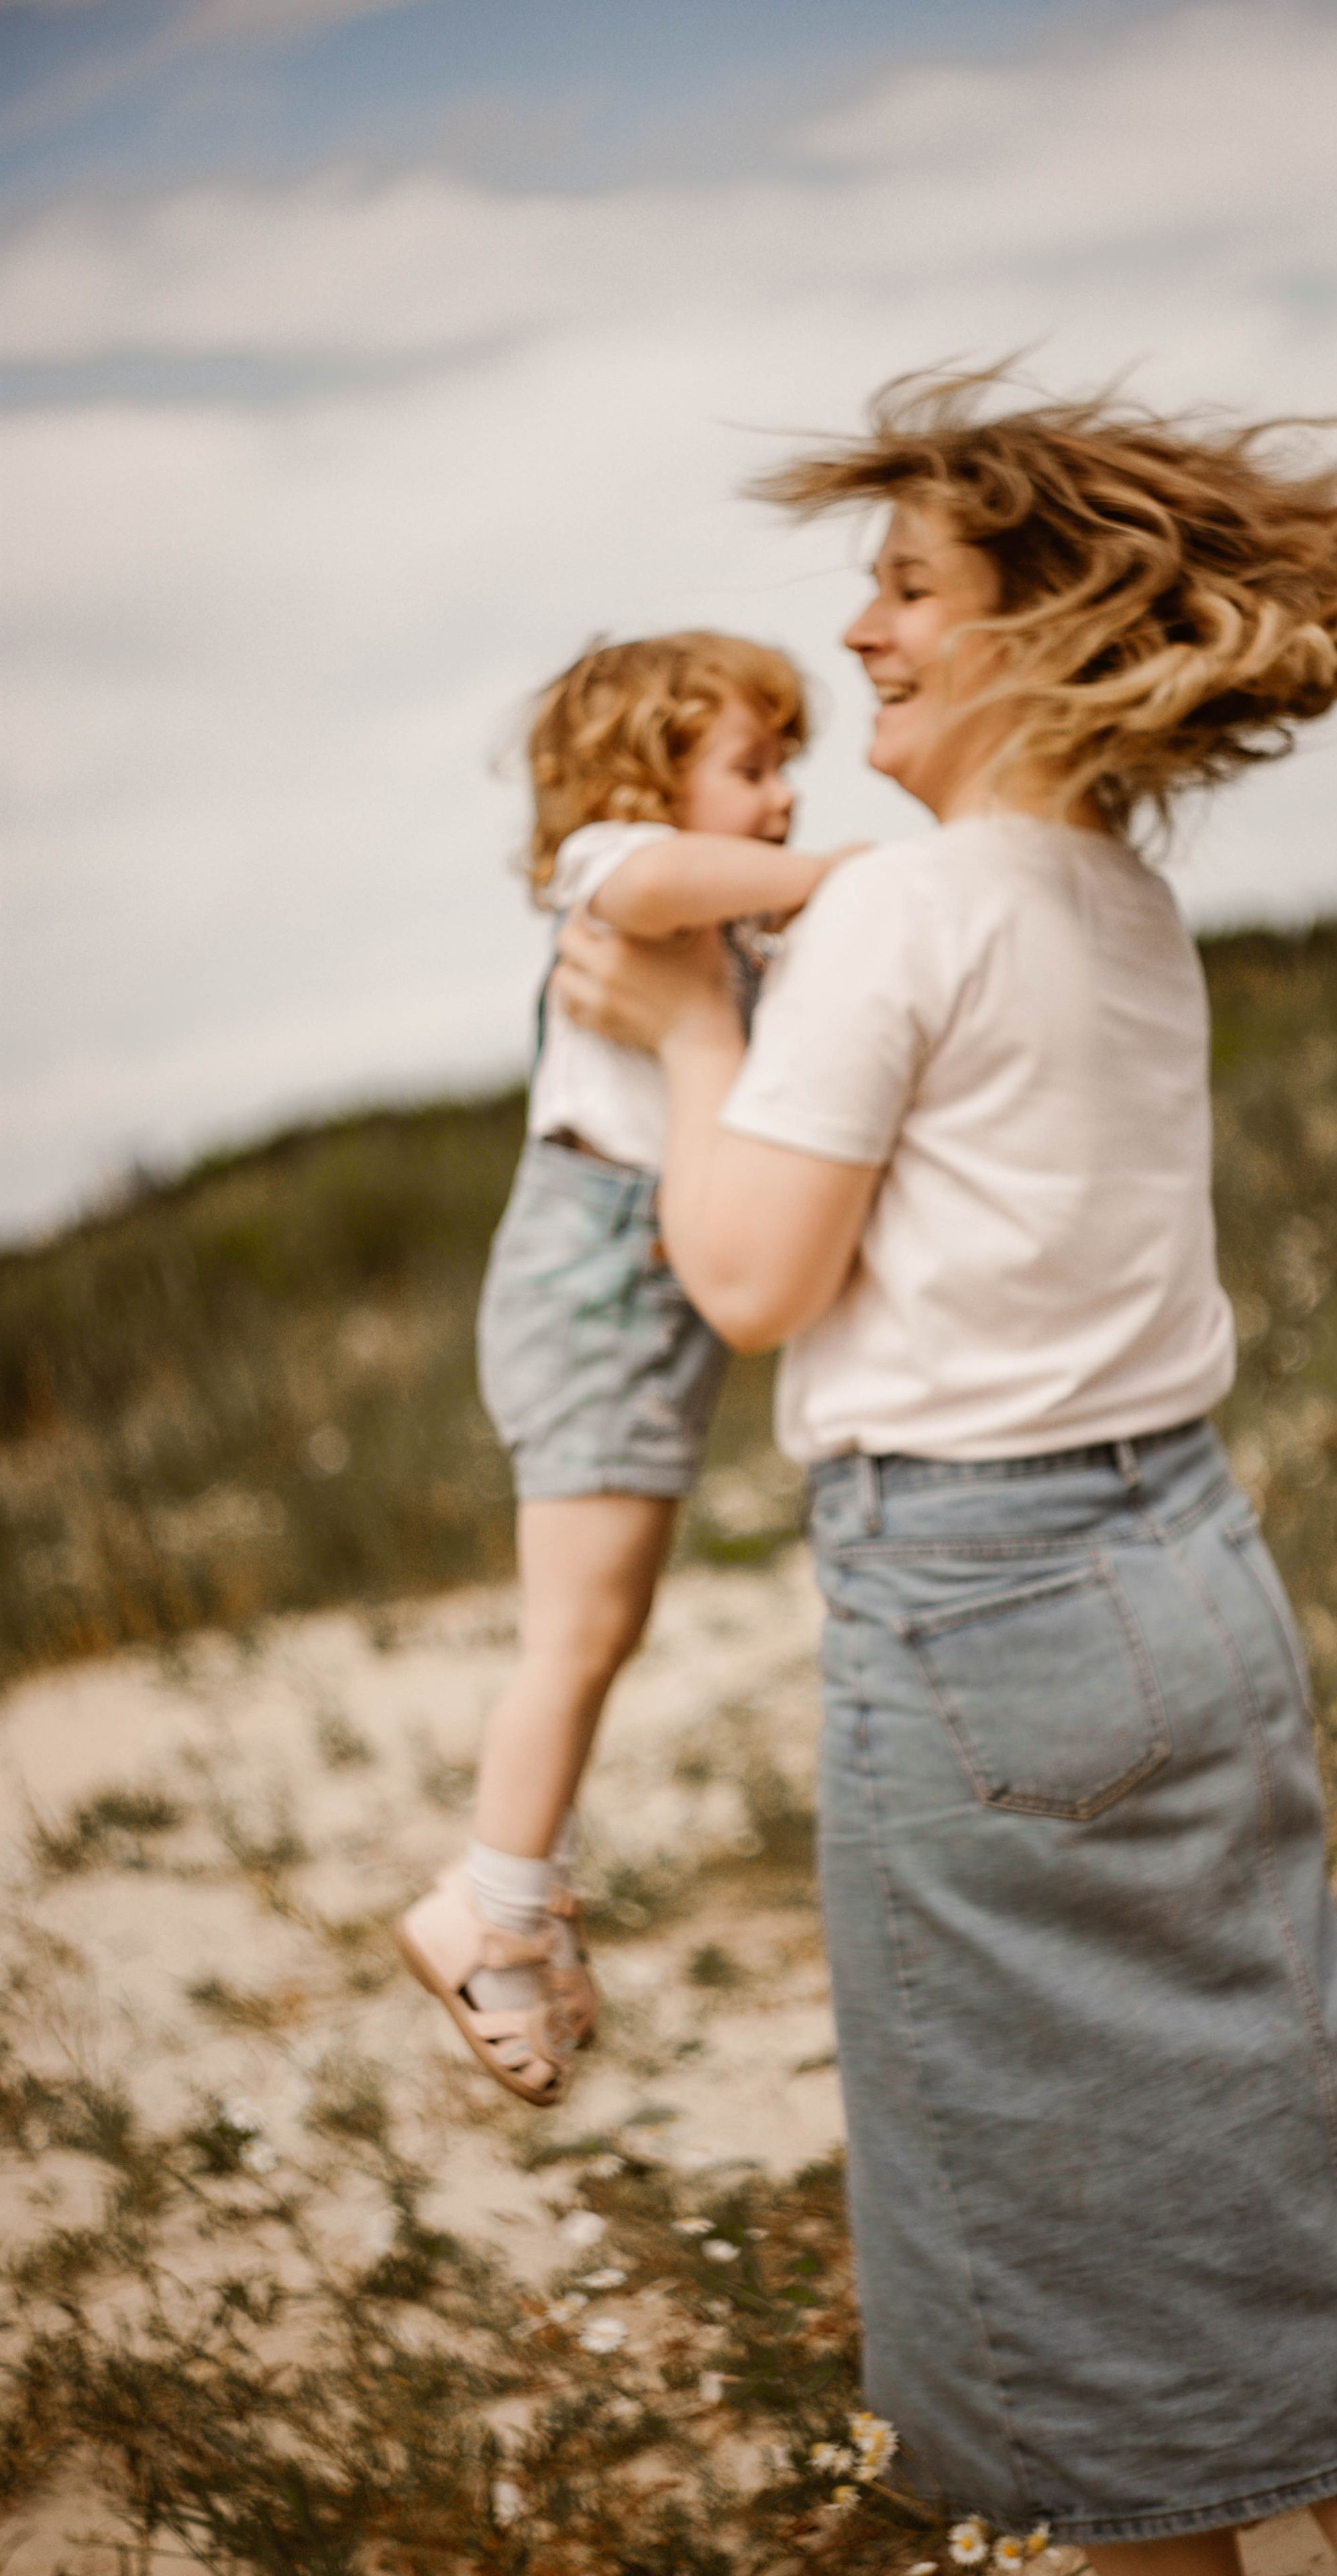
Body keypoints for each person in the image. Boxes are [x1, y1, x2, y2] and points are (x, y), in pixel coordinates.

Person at [553, 375, 1337, 2572]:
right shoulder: (1119, 905)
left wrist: (693, 1039)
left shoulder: (904, 911)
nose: (860, 636)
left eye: (903, 589)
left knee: (1061, 2230)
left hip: (974, 1612)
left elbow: (759, 1278)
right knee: (1277, 2121)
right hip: (1188, 1565)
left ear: (1033, 631)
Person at [397, 631, 851, 2108]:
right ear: (639, 779)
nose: (785, 798)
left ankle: (523, 1896)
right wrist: (829, 877)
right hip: (597, 1294)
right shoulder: (612, 872)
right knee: (574, 1635)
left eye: (790, 766)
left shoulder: (728, 937)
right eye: (752, 766)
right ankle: (489, 1914)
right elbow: (654, 880)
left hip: (637, 1303)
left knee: (604, 1625)